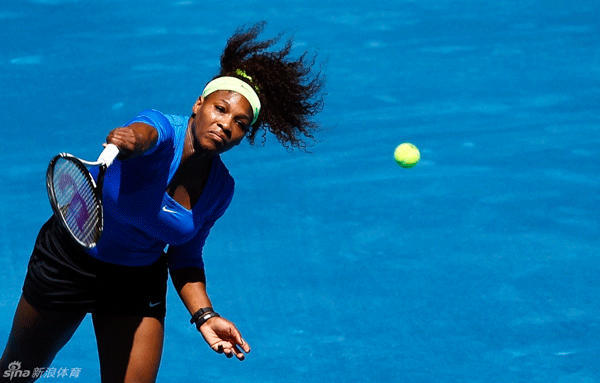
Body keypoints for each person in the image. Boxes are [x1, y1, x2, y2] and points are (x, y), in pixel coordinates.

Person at [0, 22, 324, 383]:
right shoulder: (161, 130)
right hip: (69, 262)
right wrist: (129, 140)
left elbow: (185, 256)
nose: (225, 124)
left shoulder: (221, 189)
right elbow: (144, 134)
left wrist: (205, 315)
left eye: (240, 123)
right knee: (17, 371)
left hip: (136, 282)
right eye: (219, 109)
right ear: (198, 105)